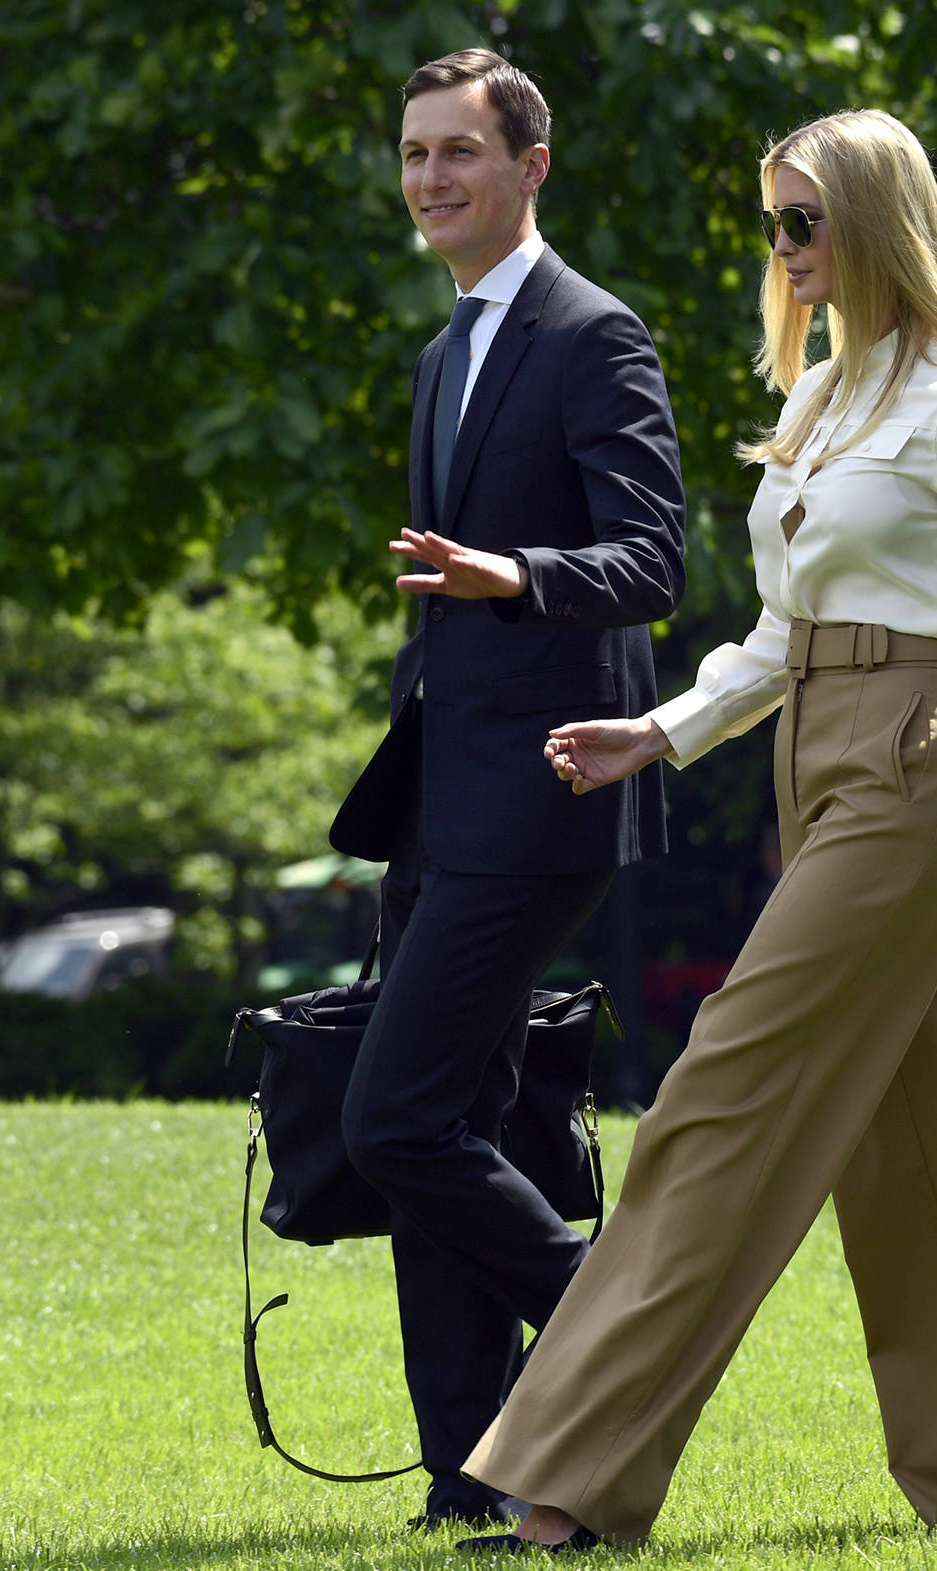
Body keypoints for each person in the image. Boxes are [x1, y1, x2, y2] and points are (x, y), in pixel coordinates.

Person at [456, 108, 937, 1552]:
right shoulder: (829, 398)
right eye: (773, 222)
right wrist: (664, 730)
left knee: (721, 1089)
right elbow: (781, 633)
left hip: (909, 755)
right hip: (812, 748)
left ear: (878, 221)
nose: (783, 249)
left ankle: (567, 1473)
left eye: (802, 221)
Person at [326, 49, 686, 1528]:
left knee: (394, 1116)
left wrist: (518, 575)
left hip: (545, 795)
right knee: (441, 1121)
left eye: (457, 153)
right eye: (414, 156)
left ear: (531, 166)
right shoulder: (442, 350)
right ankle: (466, 1476)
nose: (430, 180)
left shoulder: (594, 335)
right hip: (439, 798)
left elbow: (654, 560)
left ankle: (621, 1322)